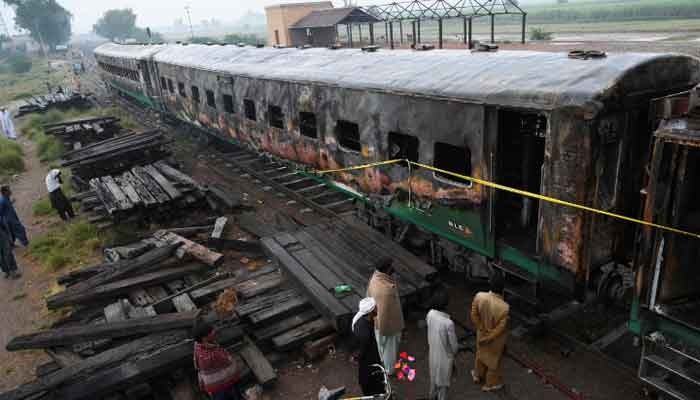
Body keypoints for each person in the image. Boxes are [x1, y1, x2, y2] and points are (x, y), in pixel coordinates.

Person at [470, 272, 510, 392]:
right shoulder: (504, 307)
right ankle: (490, 384)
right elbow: (499, 329)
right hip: (495, 340)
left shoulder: (479, 296)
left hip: (481, 334)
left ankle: (477, 375)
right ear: (503, 289)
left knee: (480, 354)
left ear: (490, 283)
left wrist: (482, 328)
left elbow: (473, 315)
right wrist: (488, 338)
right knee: (493, 362)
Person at [366, 257, 404, 375]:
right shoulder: (387, 290)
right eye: (391, 266)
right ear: (386, 269)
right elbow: (387, 312)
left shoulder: (374, 279)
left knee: (381, 346)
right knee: (390, 350)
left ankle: (382, 362)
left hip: (377, 321)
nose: (393, 268)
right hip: (388, 325)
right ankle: (389, 371)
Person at [192, 321, 243, 400]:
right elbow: (226, 361)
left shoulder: (201, 345)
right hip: (220, 384)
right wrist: (229, 358)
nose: (214, 332)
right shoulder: (207, 354)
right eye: (211, 332)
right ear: (204, 338)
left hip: (221, 382)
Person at [427, 291, 459, 400]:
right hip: (445, 358)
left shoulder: (430, 314)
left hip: (433, 353)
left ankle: (432, 396)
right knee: (443, 385)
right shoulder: (448, 323)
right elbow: (454, 347)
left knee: (433, 380)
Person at [352, 297, 385, 396]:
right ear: (370, 312)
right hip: (369, 362)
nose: (377, 308)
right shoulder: (364, 332)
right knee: (374, 384)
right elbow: (361, 351)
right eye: (375, 307)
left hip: (369, 358)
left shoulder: (366, 320)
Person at [0, 185, 27, 279]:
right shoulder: (2, 201)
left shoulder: (4, 200)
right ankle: (12, 271)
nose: (10, 191)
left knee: (2, 252)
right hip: (3, 227)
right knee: (6, 250)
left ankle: (6, 271)